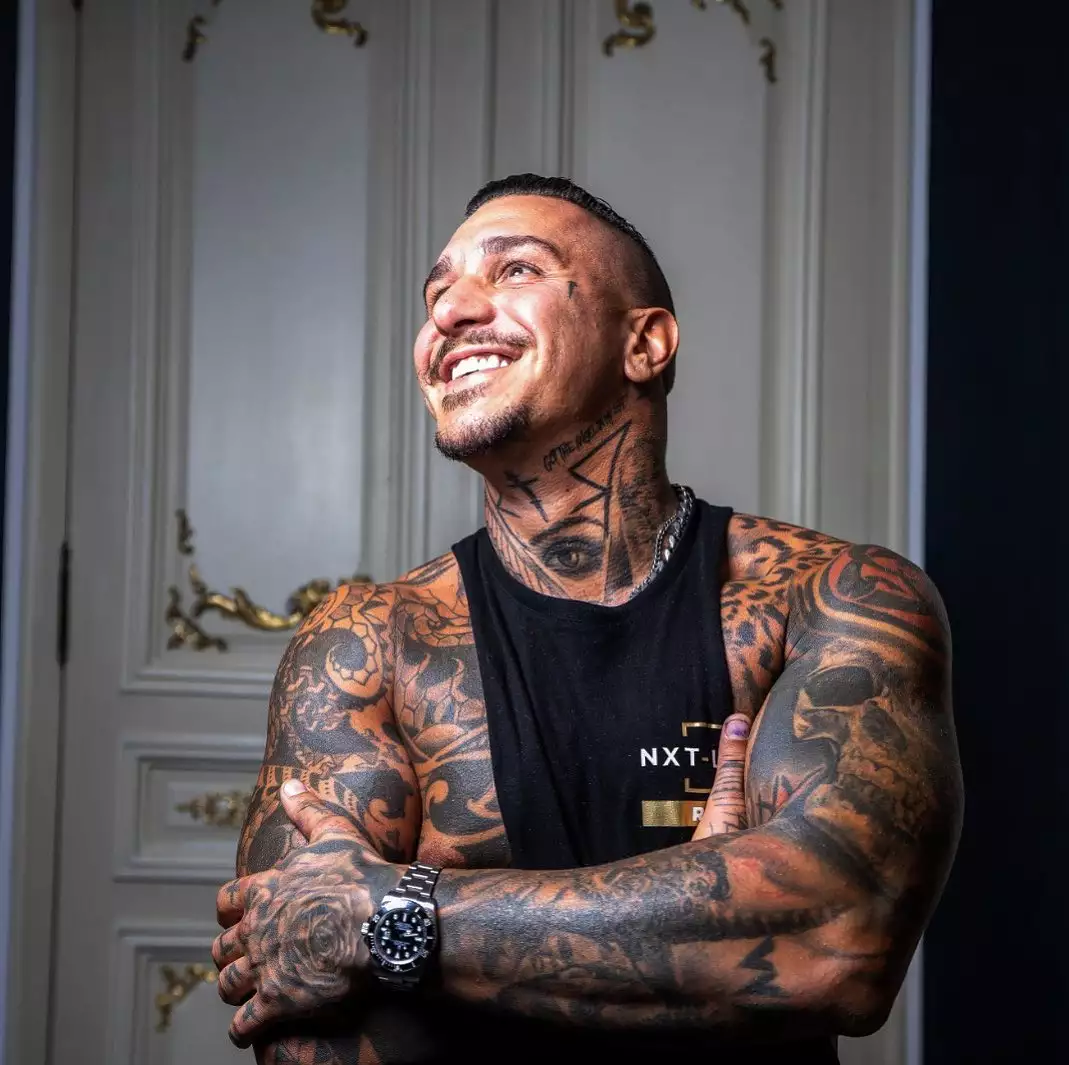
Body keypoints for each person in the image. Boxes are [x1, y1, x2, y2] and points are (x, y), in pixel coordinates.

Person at [212, 174, 963, 1064]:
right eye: (436, 291)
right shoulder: (366, 643)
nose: (449, 312)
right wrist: (699, 915)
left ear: (643, 343)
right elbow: (301, 995)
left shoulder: (832, 597)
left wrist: (392, 916)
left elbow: (836, 941)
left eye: (514, 270)